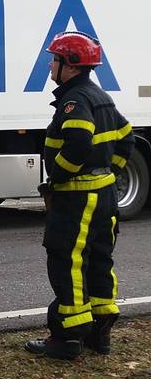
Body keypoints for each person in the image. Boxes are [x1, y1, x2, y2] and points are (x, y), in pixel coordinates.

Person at [27, 31, 132, 360]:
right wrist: (110, 172)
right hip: (104, 197)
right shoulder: (101, 96)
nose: (49, 65)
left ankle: (67, 337)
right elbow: (127, 137)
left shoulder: (76, 101)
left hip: (77, 200)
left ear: (69, 65)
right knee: (99, 260)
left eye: (54, 59)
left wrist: (58, 175)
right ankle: (99, 334)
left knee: (66, 260)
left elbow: (78, 144)